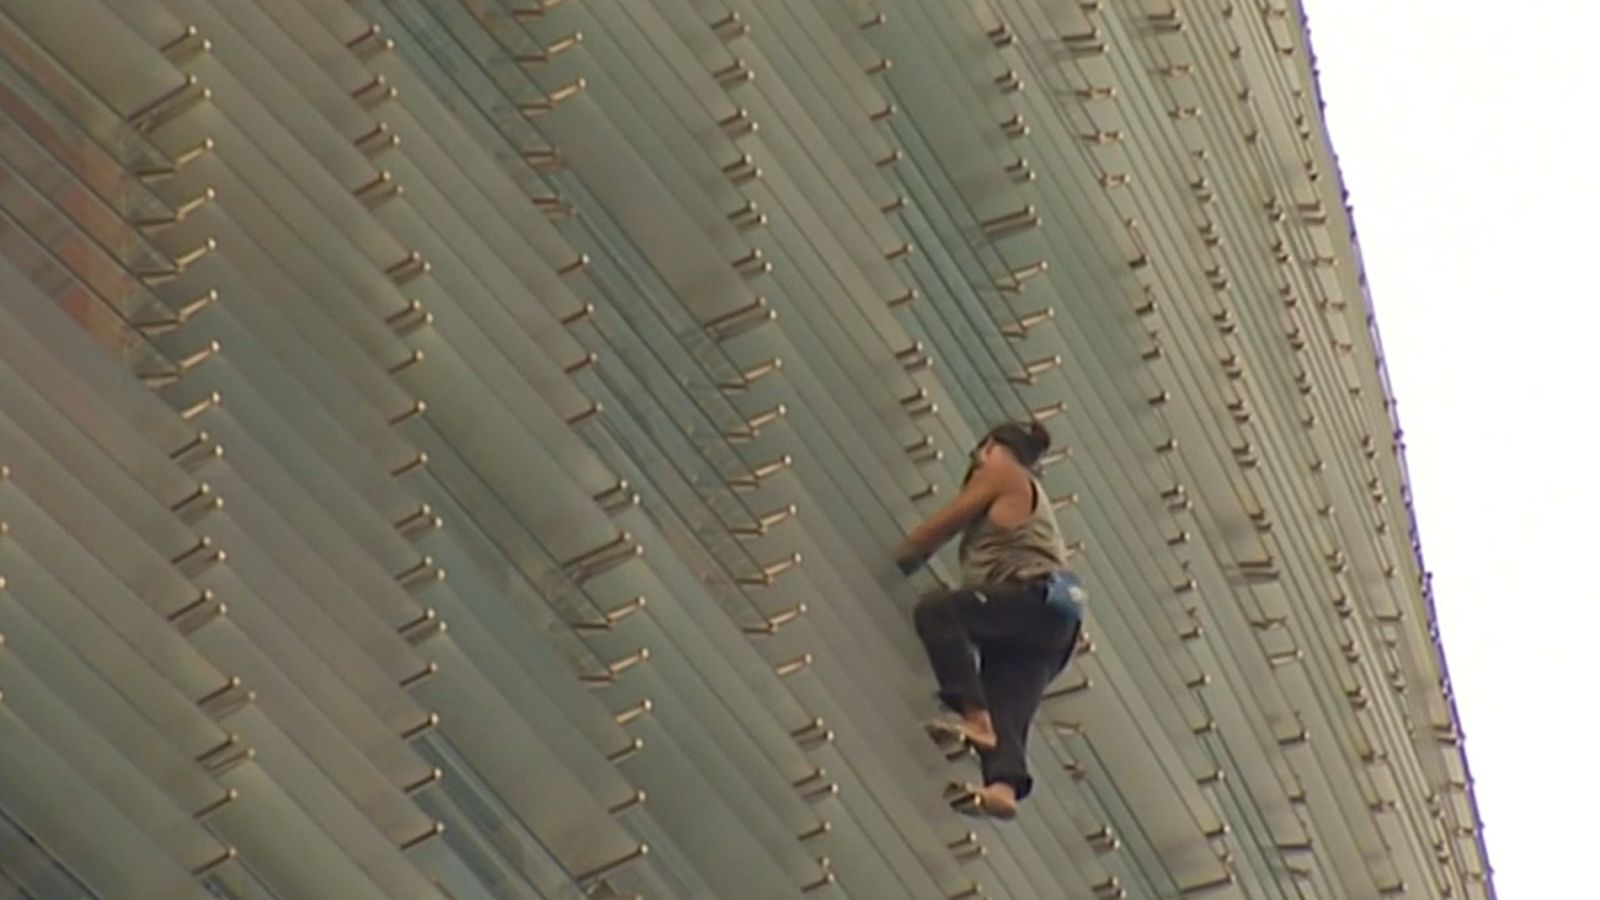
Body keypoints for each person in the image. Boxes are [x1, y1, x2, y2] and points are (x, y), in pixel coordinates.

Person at [894, 420, 1087, 819]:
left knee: (938, 611)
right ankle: (1003, 789)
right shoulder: (1029, 491)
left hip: (1031, 598)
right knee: (1007, 709)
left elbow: (935, 532)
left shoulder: (1001, 471)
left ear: (989, 448)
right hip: (1056, 625)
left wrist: (884, 566)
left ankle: (973, 718)